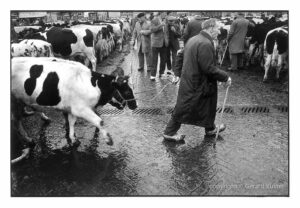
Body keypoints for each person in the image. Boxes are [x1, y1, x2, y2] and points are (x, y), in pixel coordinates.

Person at [163, 18, 232, 141]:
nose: (219, 32)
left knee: (208, 105)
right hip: (198, 83)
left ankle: (210, 129)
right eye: (217, 29)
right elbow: (208, 68)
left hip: (193, 81)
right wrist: (225, 76)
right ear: (210, 28)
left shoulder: (194, 39)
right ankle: (169, 132)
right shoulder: (205, 43)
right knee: (183, 108)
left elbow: (180, 54)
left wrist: (178, 74)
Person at [150, 12, 169, 81]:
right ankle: (153, 75)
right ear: (161, 13)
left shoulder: (166, 20)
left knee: (163, 59)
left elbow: (166, 32)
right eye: (165, 13)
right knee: (154, 60)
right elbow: (152, 30)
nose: (166, 14)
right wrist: (160, 25)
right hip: (156, 43)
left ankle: (161, 73)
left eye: (166, 13)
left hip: (164, 43)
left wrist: (167, 40)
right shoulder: (154, 20)